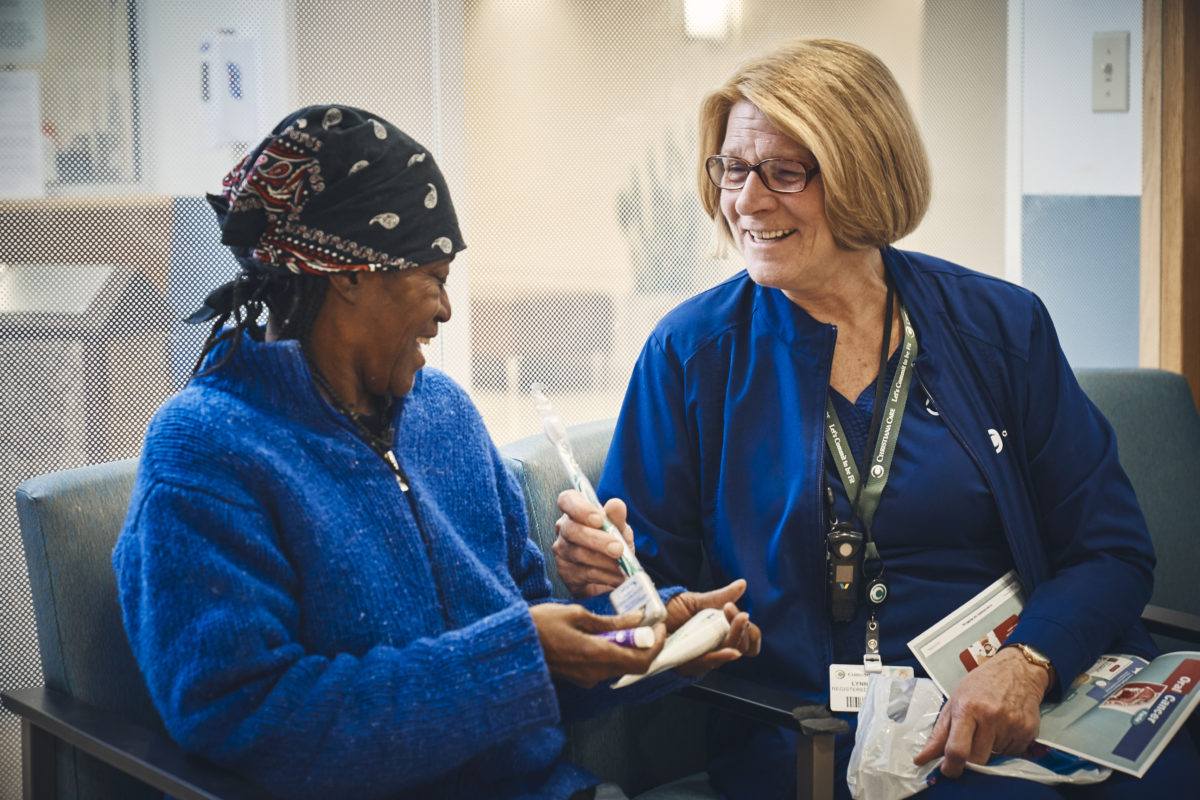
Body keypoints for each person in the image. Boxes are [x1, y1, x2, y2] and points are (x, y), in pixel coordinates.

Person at [552, 39, 1200, 799]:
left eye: (786, 172)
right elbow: (641, 604)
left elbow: (1109, 549)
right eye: (733, 168)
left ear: (864, 171)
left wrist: (1029, 663)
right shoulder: (692, 355)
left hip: (1025, 701)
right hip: (816, 740)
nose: (748, 201)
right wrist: (613, 580)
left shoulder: (998, 327)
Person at [111, 105, 760, 800]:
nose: (447, 311)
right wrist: (523, 659)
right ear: (350, 272)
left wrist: (648, 632)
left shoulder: (444, 414)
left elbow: (530, 644)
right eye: (434, 276)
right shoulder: (207, 451)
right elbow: (246, 718)